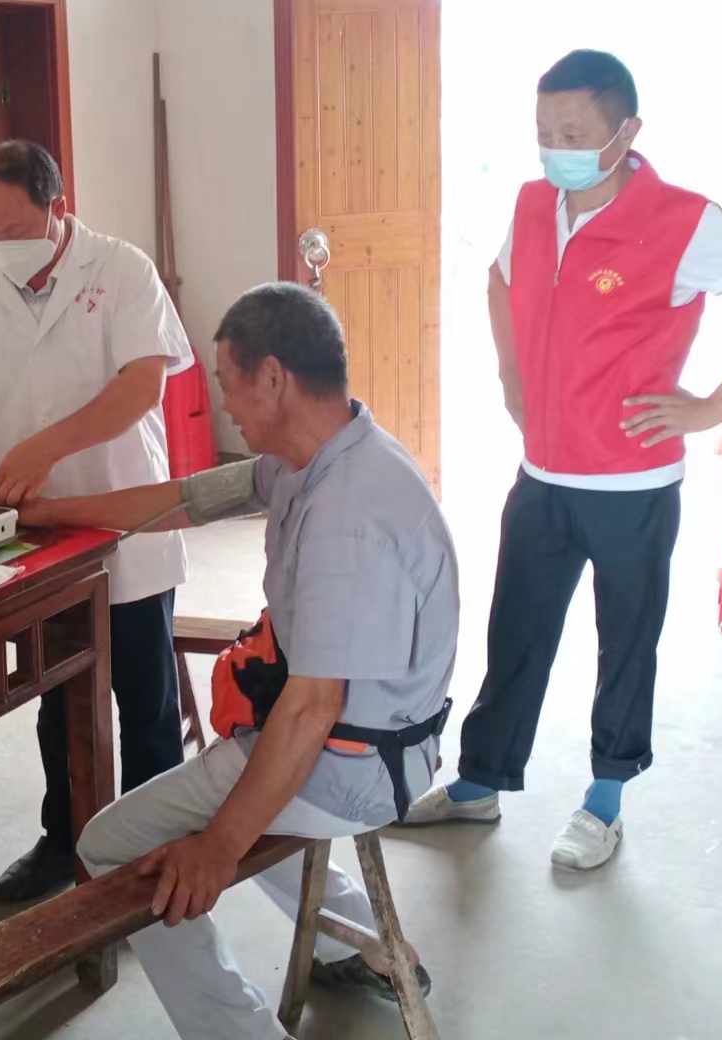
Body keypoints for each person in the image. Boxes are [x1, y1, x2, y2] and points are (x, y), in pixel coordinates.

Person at [404, 50, 722, 870]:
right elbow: (498, 282)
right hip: (543, 475)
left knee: (625, 643)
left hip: (634, 484)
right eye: (544, 131)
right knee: (516, 632)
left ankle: (604, 802)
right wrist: (511, 377)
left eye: (574, 133)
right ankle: (479, 783)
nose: (555, 149)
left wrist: (714, 408)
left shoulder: (682, 220)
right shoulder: (533, 203)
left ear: (627, 132)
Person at [22, 282, 458, 1039]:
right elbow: (181, 501)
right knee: (229, 789)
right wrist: (51, 514)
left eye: (227, 381)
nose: (223, 404)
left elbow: (312, 709)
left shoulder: (347, 516)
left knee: (112, 844)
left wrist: (219, 850)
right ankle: (356, 945)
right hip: (367, 738)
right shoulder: (311, 459)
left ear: (274, 378)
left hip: (352, 761)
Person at [0, 138, 194, 903]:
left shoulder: (121, 270)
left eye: (12, 230)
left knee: (145, 701)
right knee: (58, 696)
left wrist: (47, 445)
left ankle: (154, 850)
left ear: (56, 208)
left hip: (124, 518)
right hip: (37, 534)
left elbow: (142, 386)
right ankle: (64, 840)